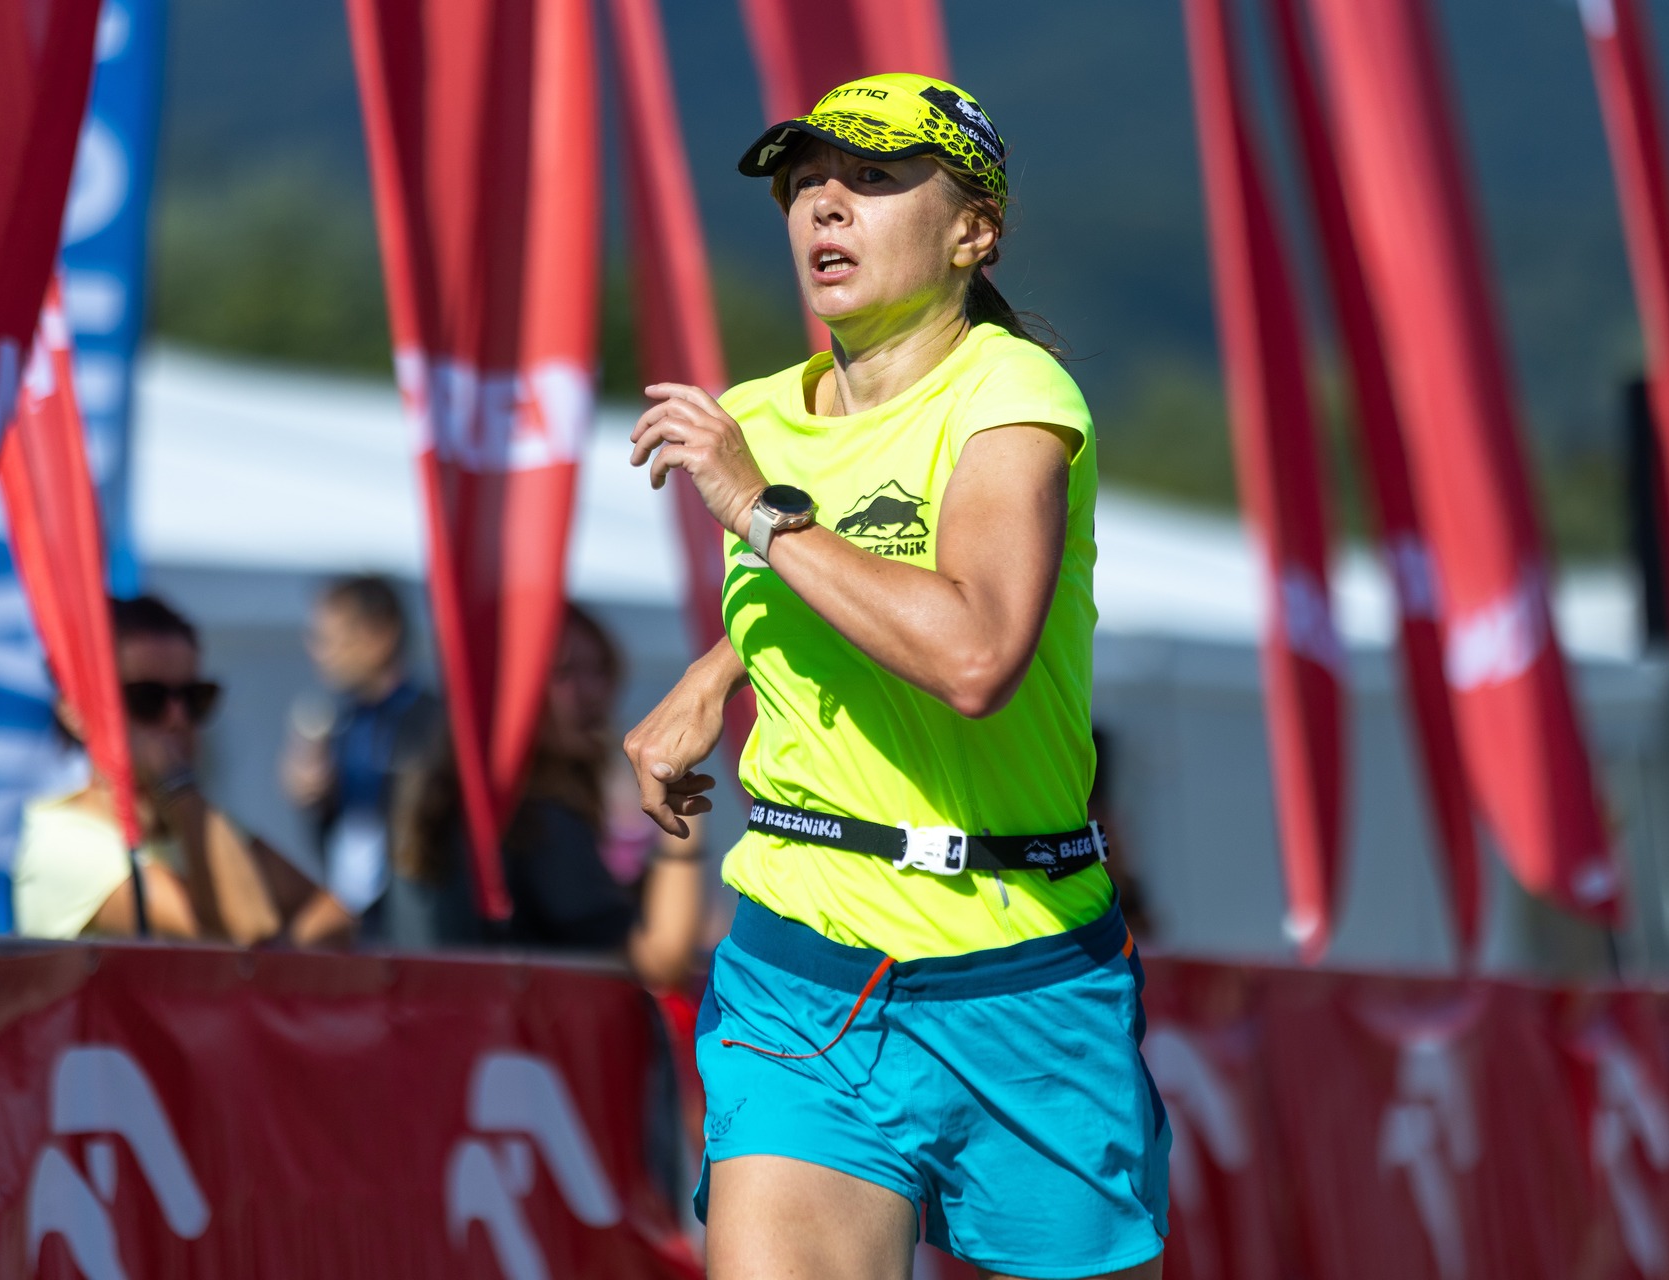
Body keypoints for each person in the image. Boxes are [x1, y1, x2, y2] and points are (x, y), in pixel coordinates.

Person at [623, 73, 1171, 1278]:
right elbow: (841, 575)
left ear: (973, 232)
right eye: (803, 184)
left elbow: (973, 651)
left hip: (1022, 960)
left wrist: (757, 510)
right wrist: (716, 669)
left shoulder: (1012, 394)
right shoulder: (760, 414)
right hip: (803, 963)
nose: (826, 205)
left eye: (872, 179)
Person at [14, 595, 329, 944]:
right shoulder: (62, 845)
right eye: (147, 699)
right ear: (75, 712)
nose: (177, 719)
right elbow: (244, 931)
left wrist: (278, 955)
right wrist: (179, 785)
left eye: (194, 697)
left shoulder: (192, 821)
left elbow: (331, 913)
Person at [493, 603, 707, 990]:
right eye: (564, 673)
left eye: (600, 671)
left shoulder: (512, 804)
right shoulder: (538, 820)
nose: (593, 692)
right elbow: (662, 960)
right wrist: (684, 816)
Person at [281, 575, 469, 948]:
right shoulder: (340, 723)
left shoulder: (435, 724)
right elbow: (344, 832)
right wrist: (313, 797)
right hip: (356, 919)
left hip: (421, 925)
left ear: (381, 634)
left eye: (331, 637)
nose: (319, 651)